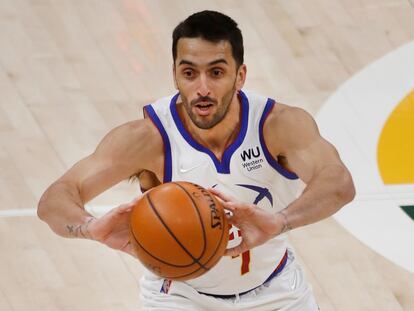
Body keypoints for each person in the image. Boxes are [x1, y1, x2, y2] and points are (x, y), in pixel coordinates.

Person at [38, 10, 355, 311]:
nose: (202, 88)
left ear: (240, 75)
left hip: (278, 292)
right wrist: (90, 227)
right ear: (175, 75)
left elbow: (338, 183)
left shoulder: (278, 125)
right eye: (189, 73)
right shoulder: (147, 139)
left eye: (216, 72)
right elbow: (55, 199)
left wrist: (280, 221)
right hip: (181, 296)